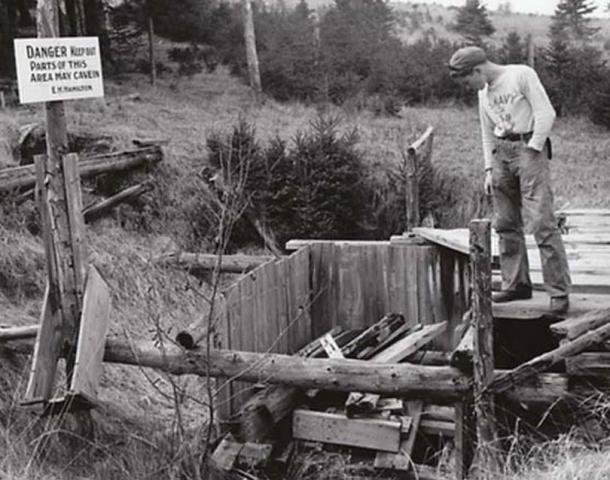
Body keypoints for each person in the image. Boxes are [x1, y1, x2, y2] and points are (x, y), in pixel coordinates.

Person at [448, 46, 571, 315]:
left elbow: (546, 113)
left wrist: (534, 147)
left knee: (541, 222)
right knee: (505, 223)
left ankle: (558, 292)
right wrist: (488, 169)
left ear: (478, 70)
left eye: (469, 80)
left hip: (529, 148)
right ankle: (516, 283)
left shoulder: (521, 75)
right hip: (501, 154)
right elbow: (486, 132)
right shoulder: (483, 92)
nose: (470, 87)